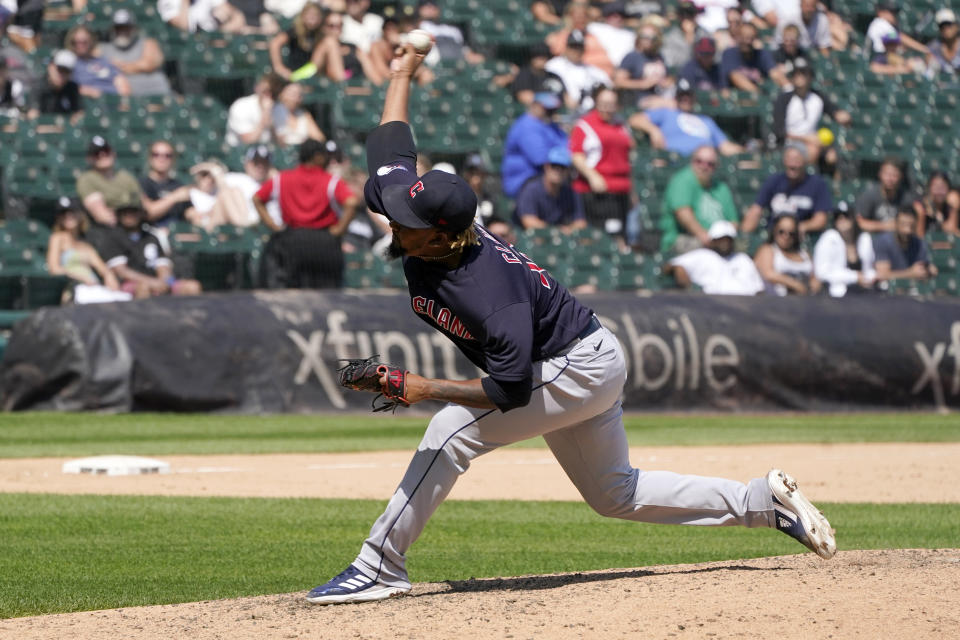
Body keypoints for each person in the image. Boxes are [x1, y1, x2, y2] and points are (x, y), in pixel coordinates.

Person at [304, 39, 836, 606]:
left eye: (406, 223)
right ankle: (763, 503)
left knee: (449, 432)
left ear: (439, 236)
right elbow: (391, 141)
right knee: (614, 494)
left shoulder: (491, 293)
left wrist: (421, 388)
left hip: (573, 364)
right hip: (577, 357)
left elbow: (508, 389)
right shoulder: (415, 212)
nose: (392, 222)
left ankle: (378, 564)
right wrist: (403, 71)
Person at [253, 138, 359, 288]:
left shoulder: (282, 178)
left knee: (292, 292)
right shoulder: (331, 180)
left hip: (291, 241)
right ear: (317, 157)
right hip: (324, 242)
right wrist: (340, 229)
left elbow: (257, 198)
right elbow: (351, 202)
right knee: (328, 294)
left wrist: (272, 225)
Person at [98, 199, 203, 298]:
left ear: (141, 213)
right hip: (129, 284)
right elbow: (121, 271)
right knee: (144, 288)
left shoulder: (151, 237)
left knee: (193, 287)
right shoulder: (113, 238)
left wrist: (163, 282)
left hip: (156, 280)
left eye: (133, 211)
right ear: (119, 214)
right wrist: (152, 282)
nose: (130, 215)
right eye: (125, 212)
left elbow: (163, 265)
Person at [569, 86, 633, 237]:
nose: (607, 108)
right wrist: (593, 176)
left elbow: (627, 159)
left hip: (621, 191)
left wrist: (632, 191)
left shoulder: (621, 126)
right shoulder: (585, 125)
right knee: (605, 235)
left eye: (611, 104)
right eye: (603, 103)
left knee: (621, 235)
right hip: (597, 192)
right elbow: (577, 156)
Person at [45, 196, 131, 304]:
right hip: (74, 290)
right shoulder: (57, 238)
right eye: (63, 213)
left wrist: (109, 276)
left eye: (72, 212)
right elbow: (54, 269)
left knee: (124, 300)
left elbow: (103, 269)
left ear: (79, 214)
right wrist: (80, 277)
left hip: (93, 288)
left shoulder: (85, 245)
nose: (68, 216)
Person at [630, 78, 744, 157]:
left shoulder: (706, 121)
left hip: (704, 164)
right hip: (674, 160)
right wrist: (654, 130)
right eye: (682, 96)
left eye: (688, 96)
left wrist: (745, 153)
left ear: (694, 98)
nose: (686, 99)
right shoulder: (666, 113)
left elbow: (725, 146)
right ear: (676, 97)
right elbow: (635, 119)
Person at [659, 145, 739, 254]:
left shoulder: (721, 187)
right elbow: (683, 214)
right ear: (692, 161)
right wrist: (707, 238)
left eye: (710, 164)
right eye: (699, 161)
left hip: (719, 241)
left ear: (716, 166)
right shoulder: (682, 181)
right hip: (686, 239)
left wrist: (725, 241)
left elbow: (733, 221)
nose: (704, 166)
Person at [771, 57, 850, 163]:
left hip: (814, 141)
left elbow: (835, 112)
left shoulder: (817, 97)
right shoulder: (784, 99)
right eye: (796, 73)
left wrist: (842, 116)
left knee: (833, 155)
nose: (799, 76)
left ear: (810, 76)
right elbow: (779, 132)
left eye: (803, 73)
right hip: (790, 143)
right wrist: (806, 138)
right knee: (813, 149)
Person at [742, 144, 831, 235]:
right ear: (784, 161)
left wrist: (799, 227)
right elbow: (756, 210)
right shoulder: (774, 181)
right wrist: (744, 235)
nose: (792, 164)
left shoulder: (817, 184)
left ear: (805, 161)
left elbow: (821, 219)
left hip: (803, 236)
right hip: (774, 235)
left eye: (797, 160)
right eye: (789, 159)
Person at [664, 220, 764, 295]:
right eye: (721, 239)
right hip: (715, 307)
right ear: (713, 240)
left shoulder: (743, 259)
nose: (725, 243)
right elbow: (673, 265)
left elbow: (759, 289)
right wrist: (683, 279)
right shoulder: (703, 255)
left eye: (727, 239)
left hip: (747, 307)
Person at [500, 91, 567, 198]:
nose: (550, 112)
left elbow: (569, 148)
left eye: (553, 110)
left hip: (546, 179)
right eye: (547, 109)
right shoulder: (527, 125)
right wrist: (563, 155)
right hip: (523, 180)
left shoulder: (551, 126)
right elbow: (539, 158)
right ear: (534, 106)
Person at [97, 9, 171, 96]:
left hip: (156, 93)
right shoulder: (103, 48)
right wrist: (138, 65)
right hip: (124, 101)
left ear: (133, 28)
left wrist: (121, 66)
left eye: (126, 28)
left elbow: (151, 63)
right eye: (119, 28)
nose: (122, 32)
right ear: (112, 29)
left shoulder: (146, 43)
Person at [513, 146, 586, 233]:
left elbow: (581, 222)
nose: (558, 170)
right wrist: (558, 231)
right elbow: (529, 222)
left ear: (568, 171)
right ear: (546, 166)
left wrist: (569, 230)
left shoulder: (571, 192)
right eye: (554, 166)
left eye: (563, 167)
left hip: (559, 239)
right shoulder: (531, 189)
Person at [76, 136, 143, 230]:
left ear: (113, 153)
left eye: (106, 151)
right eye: (96, 153)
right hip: (107, 231)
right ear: (89, 158)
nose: (102, 155)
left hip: (135, 227)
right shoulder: (87, 179)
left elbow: (144, 205)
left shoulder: (126, 177)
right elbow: (102, 216)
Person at [813, 202, 877, 297]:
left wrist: (871, 277)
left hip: (864, 292)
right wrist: (854, 277)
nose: (842, 220)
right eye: (838, 217)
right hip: (837, 294)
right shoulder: (829, 238)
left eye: (846, 216)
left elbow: (869, 269)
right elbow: (822, 273)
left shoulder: (864, 239)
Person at [269, 3, 345, 81]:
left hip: (313, 70)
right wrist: (279, 68)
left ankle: (342, 82)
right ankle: (342, 82)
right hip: (297, 73)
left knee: (330, 42)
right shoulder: (295, 31)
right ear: (303, 16)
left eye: (316, 15)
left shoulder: (320, 33)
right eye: (310, 14)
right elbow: (275, 43)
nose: (312, 17)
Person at [544, 28, 612, 111]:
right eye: (573, 47)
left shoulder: (594, 71)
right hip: (563, 111)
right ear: (567, 47)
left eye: (579, 47)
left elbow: (609, 88)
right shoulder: (553, 65)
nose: (576, 51)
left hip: (591, 112)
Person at [753, 214, 820, 296]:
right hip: (776, 302)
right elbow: (768, 274)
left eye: (791, 233)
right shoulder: (767, 250)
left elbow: (814, 278)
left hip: (805, 301)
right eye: (781, 231)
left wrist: (814, 285)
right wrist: (795, 285)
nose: (786, 236)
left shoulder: (805, 254)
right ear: (775, 230)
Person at [545, 1, 613, 78]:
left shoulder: (592, 36)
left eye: (584, 16)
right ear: (569, 17)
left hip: (601, 75)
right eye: (577, 16)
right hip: (575, 74)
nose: (581, 19)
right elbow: (568, 56)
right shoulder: (562, 36)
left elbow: (605, 57)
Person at [615, 21, 673, 110]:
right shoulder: (632, 57)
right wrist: (642, 84)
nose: (649, 40)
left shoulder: (659, 57)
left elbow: (669, 78)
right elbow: (619, 82)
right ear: (638, 38)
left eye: (653, 37)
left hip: (661, 95)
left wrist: (665, 82)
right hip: (640, 99)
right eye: (645, 37)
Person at [873, 208, 937, 285]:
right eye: (903, 224)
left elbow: (923, 266)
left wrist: (928, 270)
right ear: (896, 224)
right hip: (887, 293)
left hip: (913, 292)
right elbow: (882, 275)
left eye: (911, 225)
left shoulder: (919, 243)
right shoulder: (883, 241)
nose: (907, 230)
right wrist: (910, 273)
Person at [64, 25, 130, 98]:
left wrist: (124, 101)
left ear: (90, 41)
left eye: (84, 41)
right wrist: (89, 91)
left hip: (112, 103)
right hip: (87, 103)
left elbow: (122, 84)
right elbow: (66, 85)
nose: (80, 45)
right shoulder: (71, 63)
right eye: (77, 42)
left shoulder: (104, 61)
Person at [139, 140, 193, 229]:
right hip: (150, 235)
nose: (162, 159)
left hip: (175, 235)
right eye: (156, 154)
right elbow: (149, 213)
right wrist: (174, 197)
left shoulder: (178, 185)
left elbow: (191, 213)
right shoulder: (142, 183)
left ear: (173, 159)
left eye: (167, 155)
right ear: (150, 158)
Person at [224, 145, 281, 227]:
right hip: (241, 224)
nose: (260, 167)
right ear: (247, 163)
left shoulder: (272, 184)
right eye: (256, 162)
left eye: (264, 163)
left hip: (264, 224)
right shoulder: (234, 178)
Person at [719, 21, 785, 92]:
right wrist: (760, 94)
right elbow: (736, 78)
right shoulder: (729, 53)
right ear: (738, 37)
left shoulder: (761, 54)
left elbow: (775, 73)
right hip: (735, 98)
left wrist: (788, 87)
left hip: (758, 97)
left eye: (751, 38)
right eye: (744, 37)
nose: (747, 42)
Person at [855, 157, 915, 234]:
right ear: (880, 174)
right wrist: (886, 226)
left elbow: (912, 224)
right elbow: (859, 223)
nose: (890, 179)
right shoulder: (869, 195)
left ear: (901, 176)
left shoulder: (905, 197)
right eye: (887, 174)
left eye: (894, 175)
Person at [416, 0, 484, 66]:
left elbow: (464, 50)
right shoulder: (417, 27)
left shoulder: (453, 29)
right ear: (419, 9)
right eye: (427, 6)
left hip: (458, 64)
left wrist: (470, 55)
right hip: (433, 65)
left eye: (433, 6)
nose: (430, 9)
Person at [225, 73, 282, 147]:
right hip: (239, 153)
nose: (269, 95)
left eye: (273, 92)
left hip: (268, 153)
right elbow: (248, 141)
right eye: (265, 91)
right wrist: (265, 115)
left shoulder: (279, 108)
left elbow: (282, 145)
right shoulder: (241, 106)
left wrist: (272, 127)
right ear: (257, 88)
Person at [272, 81, 326, 147]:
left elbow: (320, 138)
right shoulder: (273, 111)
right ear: (282, 94)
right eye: (292, 94)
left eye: (298, 94)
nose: (294, 98)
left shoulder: (304, 115)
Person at [510, 42, 563, 106]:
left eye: (544, 56)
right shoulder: (523, 75)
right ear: (531, 58)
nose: (542, 59)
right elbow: (525, 98)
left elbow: (567, 99)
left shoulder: (554, 76)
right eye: (538, 56)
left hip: (555, 112)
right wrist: (547, 99)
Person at [587, 1, 636, 70]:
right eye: (614, 16)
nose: (619, 18)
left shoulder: (630, 35)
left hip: (622, 69)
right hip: (599, 67)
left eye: (622, 16)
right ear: (607, 16)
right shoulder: (595, 27)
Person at [33, 49, 82, 115]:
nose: (62, 74)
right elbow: (33, 117)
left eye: (66, 71)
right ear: (50, 66)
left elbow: (79, 114)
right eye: (60, 69)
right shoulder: (38, 87)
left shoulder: (72, 88)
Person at [661, 0, 707, 68]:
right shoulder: (670, 36)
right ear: (679, 17)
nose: (686, 18)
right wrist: (688, 39)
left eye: (690, 15)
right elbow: (670, 62)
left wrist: (692, 37)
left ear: (695, 16)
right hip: (679, 74)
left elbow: (709, 60)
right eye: (683, 15)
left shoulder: (704, 34)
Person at [913, 171, 960, 237]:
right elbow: (919, 237)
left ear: (948, 189)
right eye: (936, 187)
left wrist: (953, 208)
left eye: (942, 187)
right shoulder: (921, 207)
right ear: (929, 188)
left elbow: (951, 230)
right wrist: (923, 214)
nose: (939, 191)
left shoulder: (950, 204)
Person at [158, 0, 247, 33]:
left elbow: (237, 17)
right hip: (188, 46)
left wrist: (221, 32)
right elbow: (183, 26)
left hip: (212, 38)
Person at [461, 153, 496, 227]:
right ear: (466, 174)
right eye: (472, 173)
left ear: (484, 175)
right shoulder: (460, 197)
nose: (475, 177)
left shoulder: (490, 199)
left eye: (479, 173)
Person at [930, 8, 960, 75]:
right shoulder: (935, 46)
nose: (946, 29)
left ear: (956, 26)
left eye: (949, 25)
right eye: (942, 26)